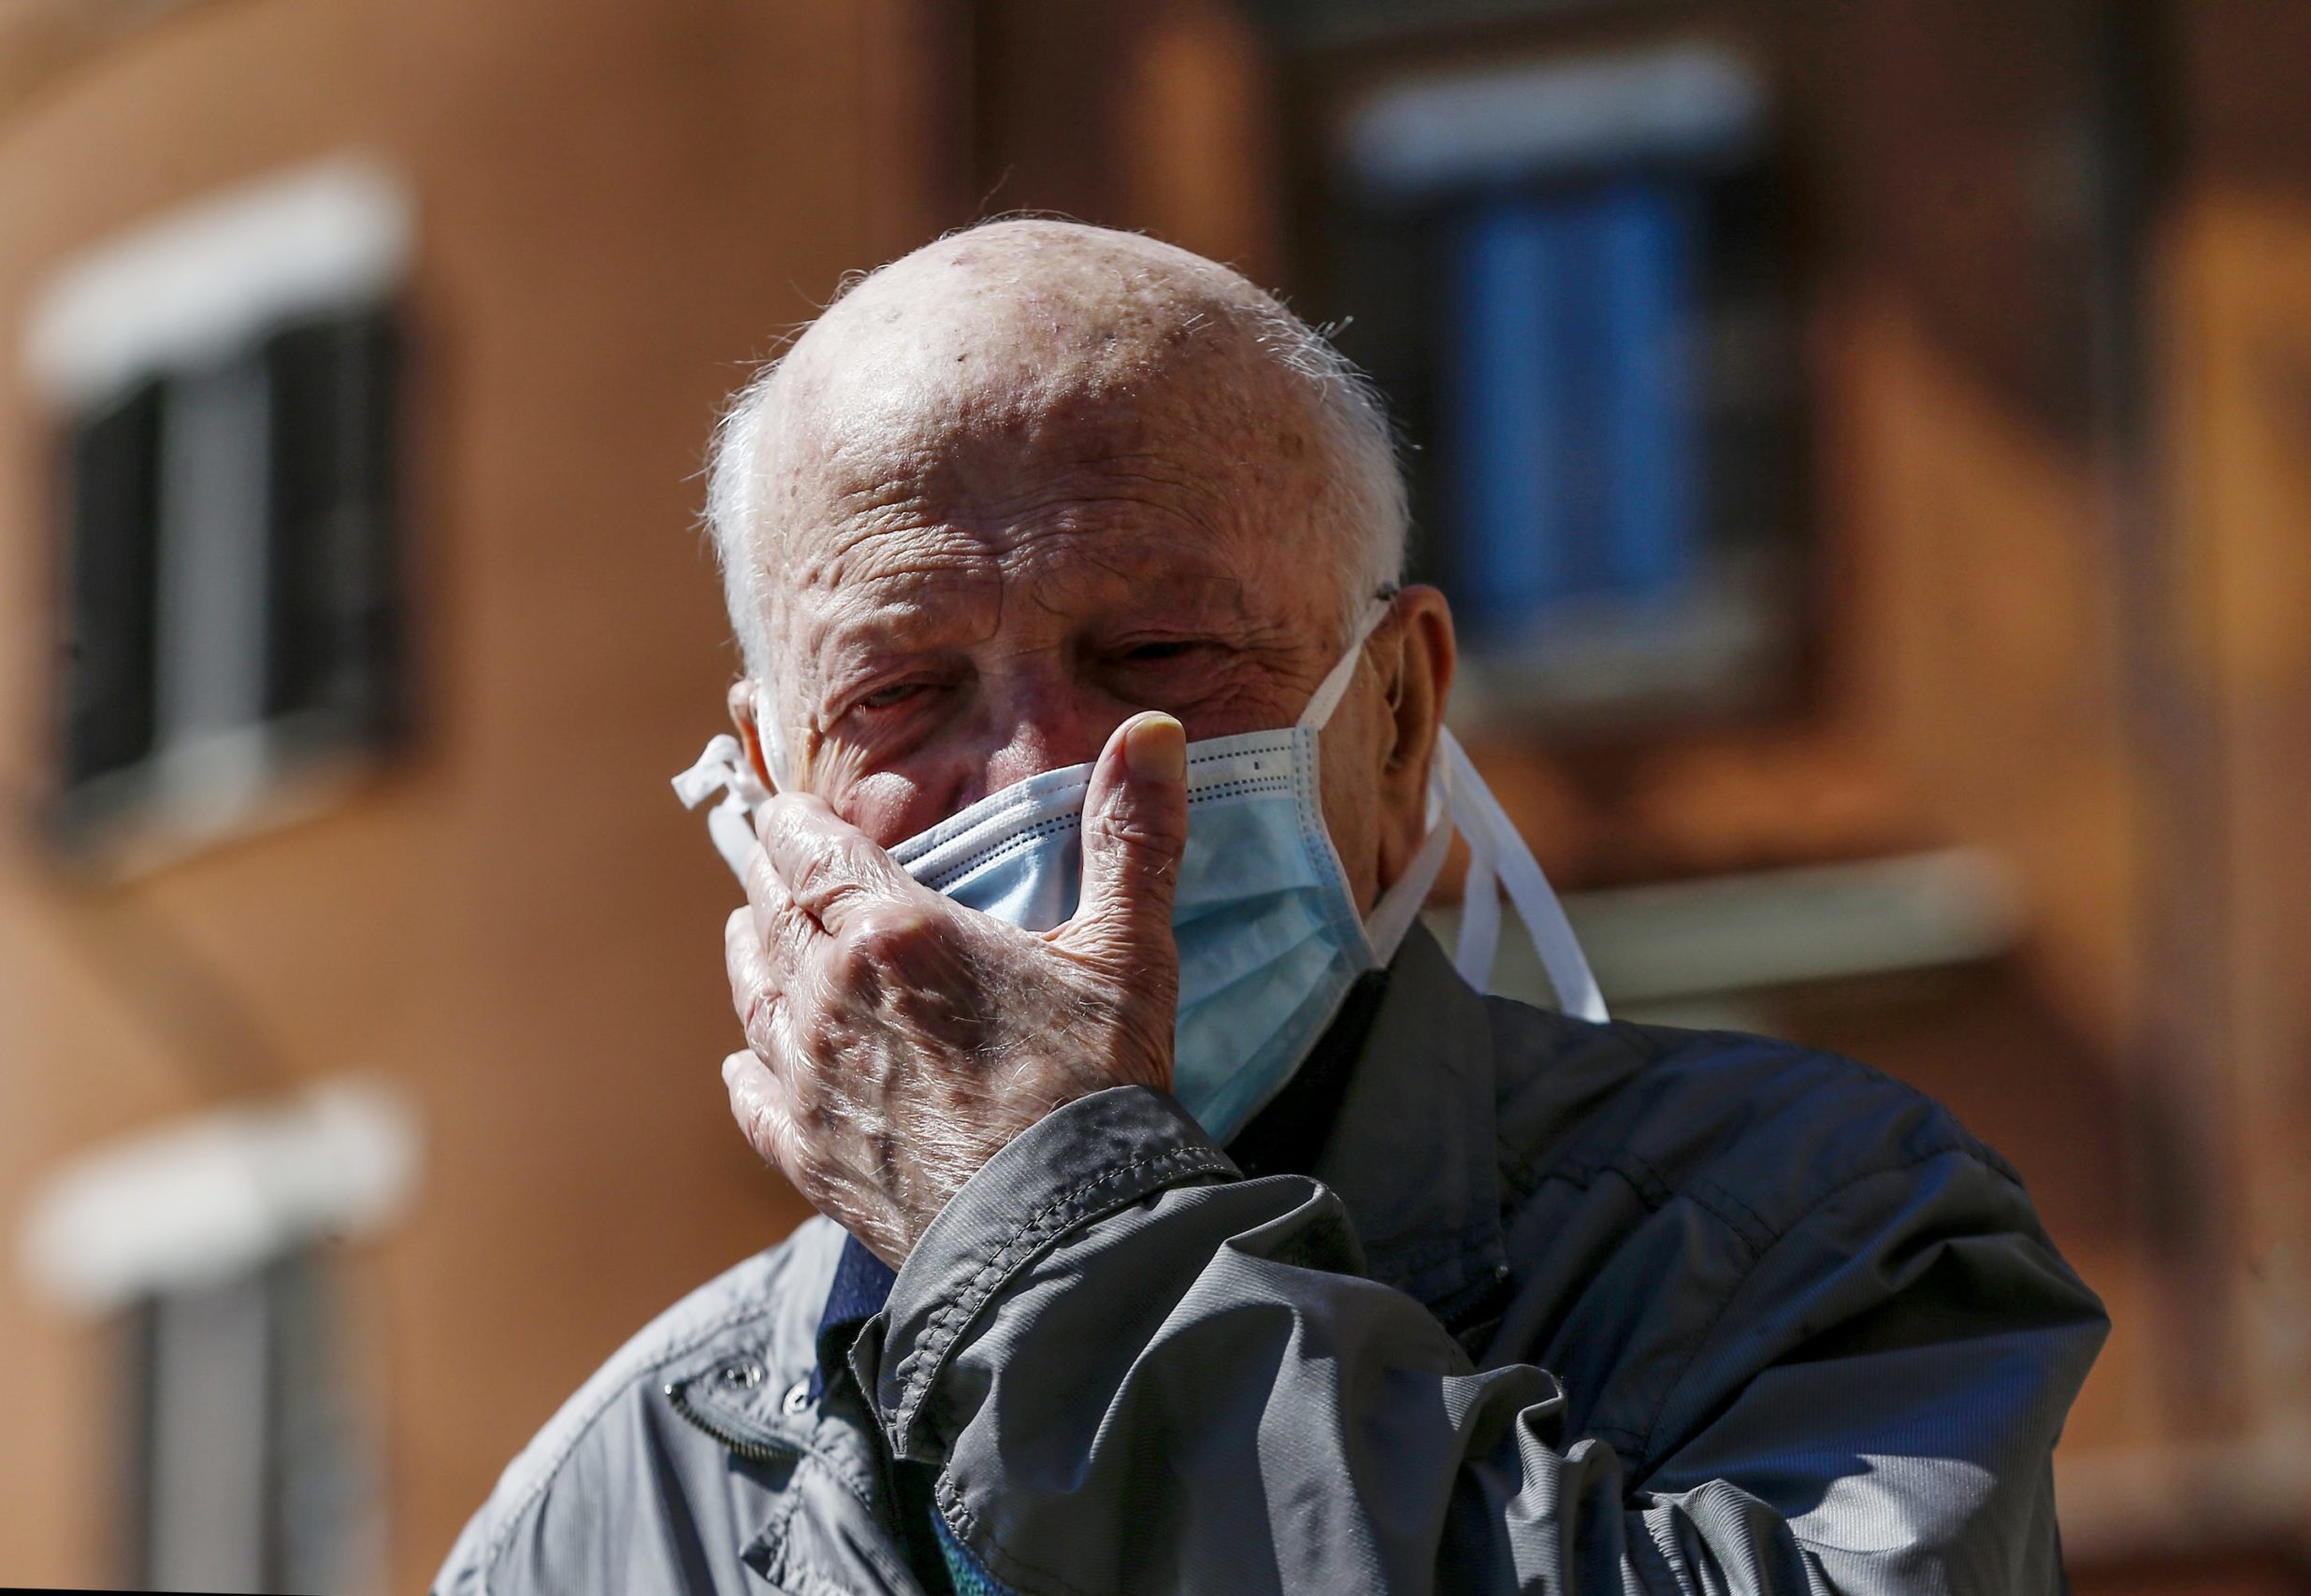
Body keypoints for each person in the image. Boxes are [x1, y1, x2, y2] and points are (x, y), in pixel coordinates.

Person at [433, 221, 2106, 1595]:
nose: (1043, 768)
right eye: (896, 694)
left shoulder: (1815, 1237)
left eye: (1160, 659)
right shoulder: (603, 1510)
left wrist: (1041, 1235)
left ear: (1395, 718)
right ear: (767, 786)